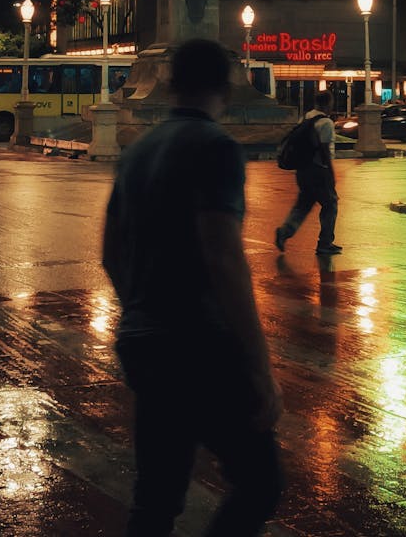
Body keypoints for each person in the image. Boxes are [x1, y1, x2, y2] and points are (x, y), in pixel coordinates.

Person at [102, 38, 283, 537]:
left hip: (144, 341)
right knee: (260, 482)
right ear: (226, 86)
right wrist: (259, 365)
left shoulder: (137, 151)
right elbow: (223, 256)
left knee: (156, 499)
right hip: (200, 343)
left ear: (172, 83)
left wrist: (142, 309)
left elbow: (110, 253)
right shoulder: (217, 147)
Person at [275, 89, 341, 256]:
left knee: (303, 205)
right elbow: (325, 150)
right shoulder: (326, 122)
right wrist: (331, 174)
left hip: (303, 171)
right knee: (330, 204)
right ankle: (325, 243)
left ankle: (284, 232)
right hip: (319, 170)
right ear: (328, 103)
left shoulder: (306, 117)